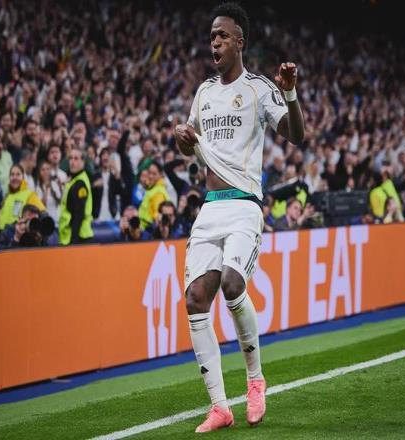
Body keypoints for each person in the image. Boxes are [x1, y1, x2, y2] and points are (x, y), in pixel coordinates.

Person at [173, 3, 304, 433]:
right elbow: (190, 146)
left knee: (233, 284)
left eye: (223, 36)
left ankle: (255, 381)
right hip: (211, 207)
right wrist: (183, 138)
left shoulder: (258, 88)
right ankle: (219, 408)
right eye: (212, 36)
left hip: (245, 205)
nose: (215, 42)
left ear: (239, 42)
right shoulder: (204, 93)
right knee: (195, 299)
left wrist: (290, 94)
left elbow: (296, 135)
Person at [58, 147, 94, 245]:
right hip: (70, 236)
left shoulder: (80, 183)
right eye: (70, 158)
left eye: (76, 158)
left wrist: (74, 241)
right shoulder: (74, 179)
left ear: (83, 162)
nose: (72, 162)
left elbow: (79, 214)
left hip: (79, 237)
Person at [0, 164, 46, 230]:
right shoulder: (7, 197)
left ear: (23, 177)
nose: (15, 177)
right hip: (2, 234)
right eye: (12, 174)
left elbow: (43, 213)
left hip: (18, 233)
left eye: (18, 174)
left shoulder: (29, 194)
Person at [138, 161, 170, 231]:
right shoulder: (153, 188)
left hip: (148, 231)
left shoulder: (158, 193)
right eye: (149, 172)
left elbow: (157, 216)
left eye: (154, 174)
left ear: (160, 175)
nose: (150, 176)